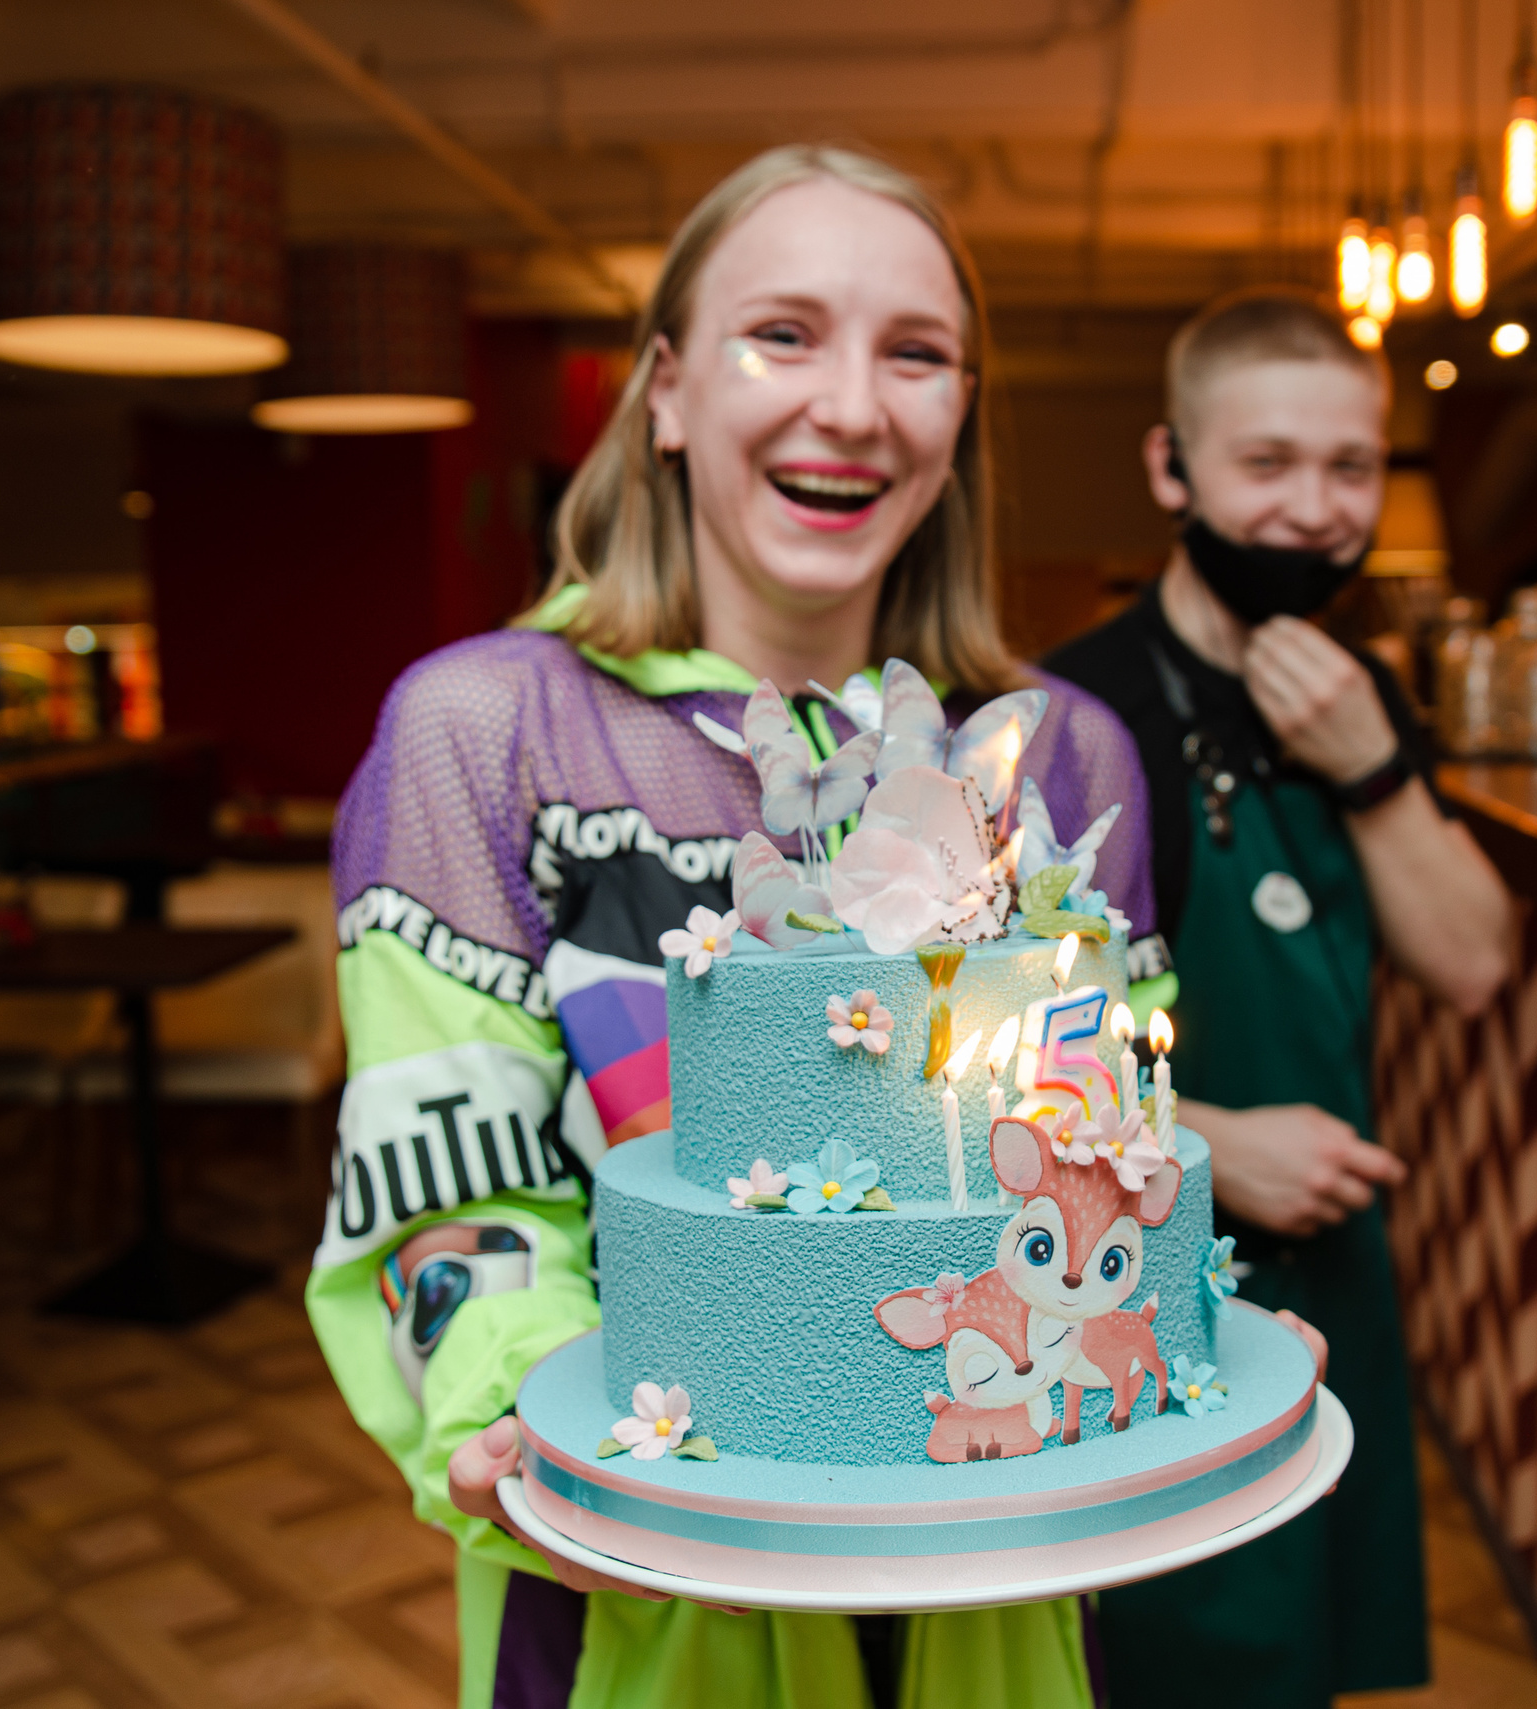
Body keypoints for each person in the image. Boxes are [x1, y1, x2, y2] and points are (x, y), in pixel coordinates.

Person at [307, 145, 1164, 1709]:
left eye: (916, 353)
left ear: (961, 415)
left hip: (1000, 1580)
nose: (852, 403)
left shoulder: (1067, 760)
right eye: (782, 334)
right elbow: (448, 1189)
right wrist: (514, 1428)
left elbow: (1108, 1168)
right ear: (666, 392)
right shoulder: (484, 735)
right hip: (637, 1606)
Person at [1042, 287, 1515, 1707]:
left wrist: (1370, 762)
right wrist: (1200, 1141)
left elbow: (1476, 958)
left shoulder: (1363, 691)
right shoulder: (1073, 713)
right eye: (1266, 465)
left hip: (1331, 1275)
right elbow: (970, 1048)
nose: (1315, 508)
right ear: (1171, 470)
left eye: (1350, 467)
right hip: (1124, 1287)